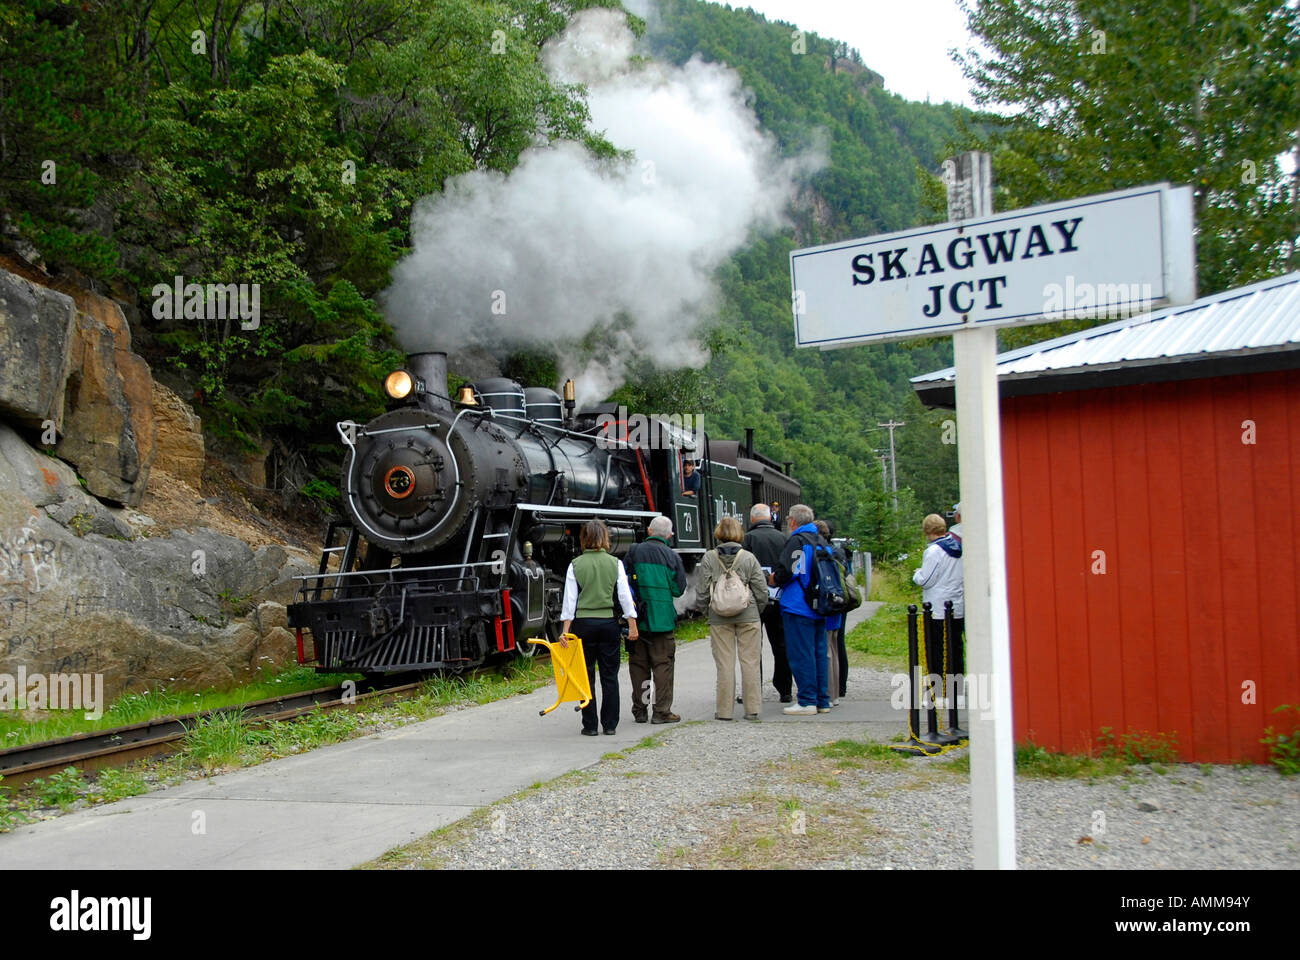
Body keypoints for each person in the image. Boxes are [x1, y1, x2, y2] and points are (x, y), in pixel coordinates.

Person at [561, 519, 639, 736]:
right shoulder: (615, 563)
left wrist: (565, 631)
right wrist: (632, 624)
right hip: (608, 624)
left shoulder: (575, 564)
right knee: (610, 675)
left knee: (585, 677)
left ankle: (590, 725)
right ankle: (610, 724)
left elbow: (570, 601)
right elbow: (624, 597)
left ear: (584, 539)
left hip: (583, 626)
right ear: (605, 538)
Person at [695, 515, 769, 721]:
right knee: (750, 662)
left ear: (718, 534)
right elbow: (761, 590)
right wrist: (756, 610)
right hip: (748, 615)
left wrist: (707, 611)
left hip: (719, 617)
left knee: (725, 665)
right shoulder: (748, 557)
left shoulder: (709, 558)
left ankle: (724, 711)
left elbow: (701, 590)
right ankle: (752, 709)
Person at [623, 515, 687, 724]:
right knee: (662, 666)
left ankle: (640, 709)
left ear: (649, 531)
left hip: (637, 621)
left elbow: (623, 584)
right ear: (669, 535)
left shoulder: (633, 552)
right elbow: (678, 590)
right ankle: (661, 711)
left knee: (639, 667)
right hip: (662, 621)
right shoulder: (672, 556)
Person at [772, 504, 829, 715]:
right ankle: (823, 700)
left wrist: (774, 578)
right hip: (819, 604)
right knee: (819, 653)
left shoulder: (798, 540)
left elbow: (791, 570)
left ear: (793, 521)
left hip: (799, 604)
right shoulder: (821, 541)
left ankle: (806, 701)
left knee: (801, 654)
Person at [742, 503, 793, 703]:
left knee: (753, 647)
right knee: (781, 645)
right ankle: (785, 689)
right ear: (770, 519)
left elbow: (744, 568)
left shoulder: (748, 539)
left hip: (754, 600)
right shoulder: (784, 539)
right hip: (779, 599)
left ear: (753, 519)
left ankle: (754, 690)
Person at [912, 514, 964, 693]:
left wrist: (917, 573)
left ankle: (937, 682)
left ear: (927, 531)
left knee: (935, 647)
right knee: (955, 645)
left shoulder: (934, 551)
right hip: (956, 604)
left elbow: (926, 580)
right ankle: (956, 682)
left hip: (936, 606)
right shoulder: (958, 548)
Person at [816, 519, 849, 706]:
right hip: (839, 601)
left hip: (827, 603)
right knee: (837, 646)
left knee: (827, 648)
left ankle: (828, 693)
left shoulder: (822, 554)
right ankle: (838, 689)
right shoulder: (839, 552)